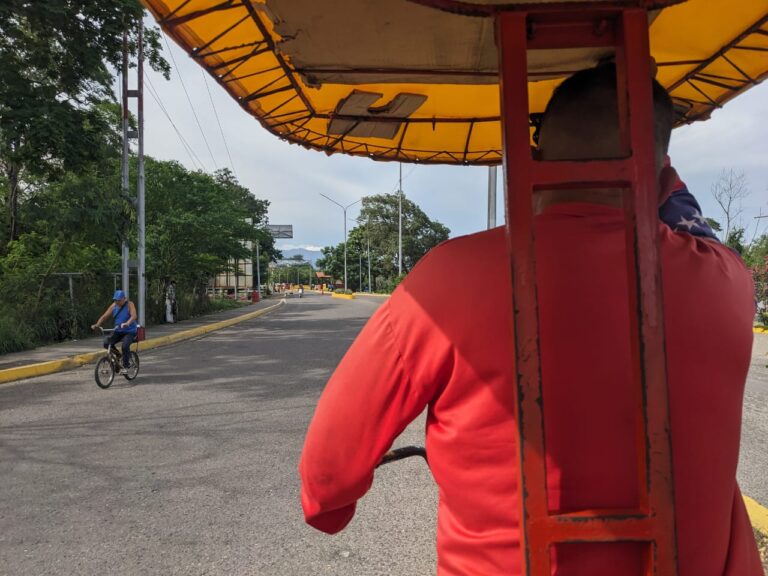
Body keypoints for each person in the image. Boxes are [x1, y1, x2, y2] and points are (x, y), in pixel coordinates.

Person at [299, 63, 761, 575]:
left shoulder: (450, 277)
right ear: (661, 173)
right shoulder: (729, 283)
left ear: (534, 161)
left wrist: (329, 508)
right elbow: (685, 219)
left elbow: (329, 469)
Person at [91, 290, 138, 375]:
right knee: (106, 343)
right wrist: (97, 325)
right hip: (118, 330)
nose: (117, 302)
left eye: (119, 300)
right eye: (115, 300)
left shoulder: (129, 304)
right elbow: (104, 316)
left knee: (125, 346)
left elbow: (134, 316)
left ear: (124, 299)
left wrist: (127, 323)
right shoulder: (114, 306)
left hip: (129, 331)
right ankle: (119, 356)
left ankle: (126, 365)